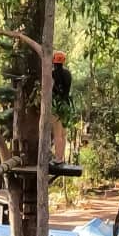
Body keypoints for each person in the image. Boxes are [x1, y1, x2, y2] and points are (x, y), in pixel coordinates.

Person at [49, 51, 82, 179]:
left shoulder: (52, 75)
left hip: (57, 106)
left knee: (57, 134)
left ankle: (57, 159)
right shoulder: (68, 74)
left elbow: (52, 89)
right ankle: (60, 158)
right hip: (66, 105)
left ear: (53, 61)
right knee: (63, 134)